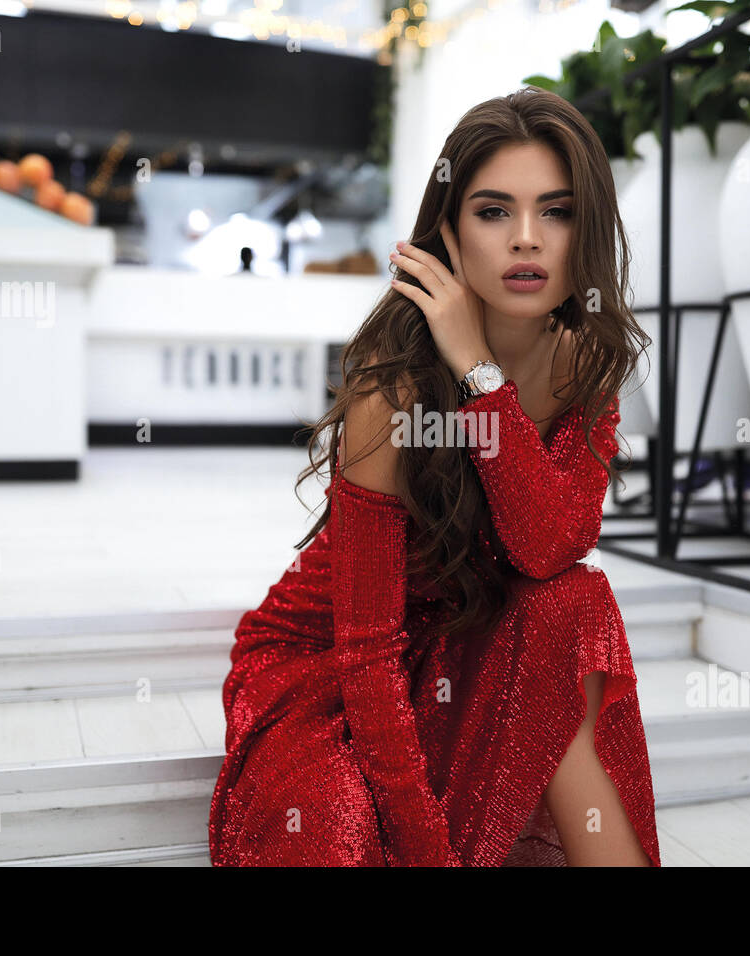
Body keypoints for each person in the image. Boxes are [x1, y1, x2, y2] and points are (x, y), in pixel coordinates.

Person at [208, 86, 659, 867]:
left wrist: (483, 377)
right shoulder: (396, 392)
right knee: (340, 827)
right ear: (446, 232)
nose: (527, 240)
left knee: (573, 601)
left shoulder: (584, 363)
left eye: (555, 211)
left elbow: (550, 549)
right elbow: (367, 654)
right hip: (331, 672)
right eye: (493, 212)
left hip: (461, 649)